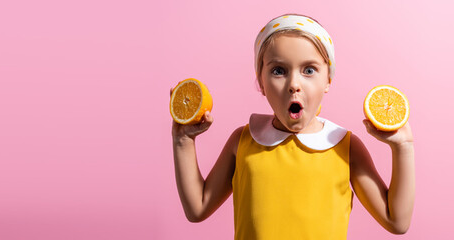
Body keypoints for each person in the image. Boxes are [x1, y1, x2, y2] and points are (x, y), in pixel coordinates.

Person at [172, 13, 415, 239]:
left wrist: (403, 147)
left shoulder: (345, 146)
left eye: (309, 70)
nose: (294, 84)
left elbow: (396, 221)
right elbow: (197, 208)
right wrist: (183, 140)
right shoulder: (243, 141)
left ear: (327, 80)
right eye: (279, 71)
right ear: (261, 82)